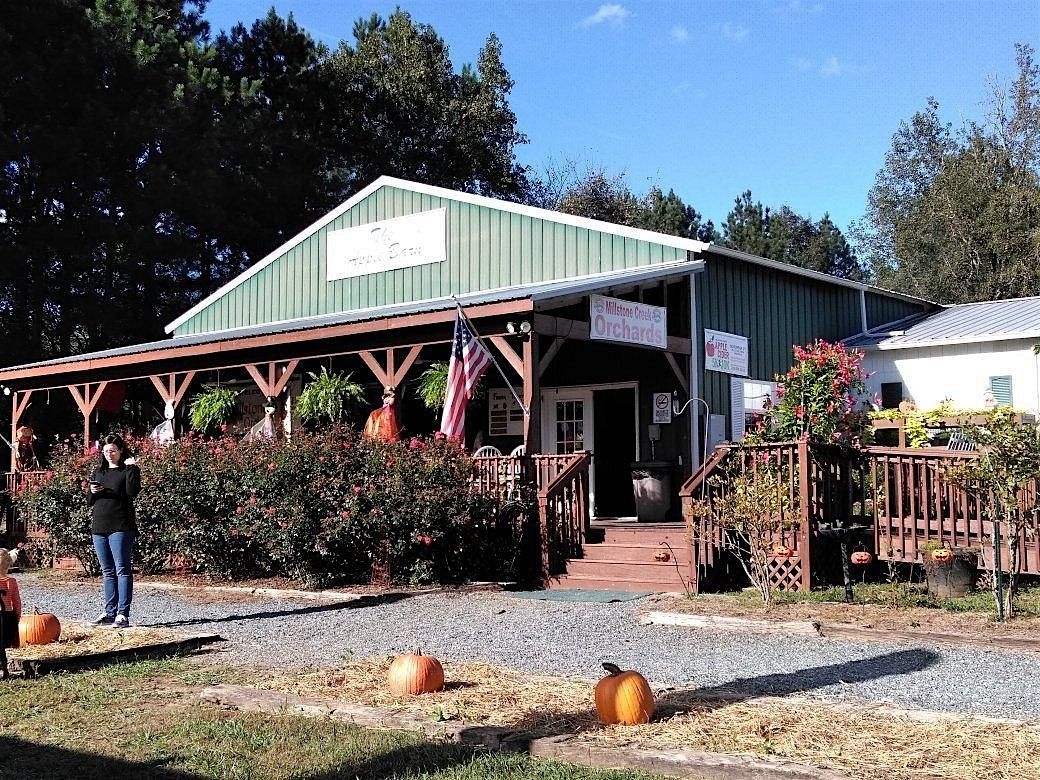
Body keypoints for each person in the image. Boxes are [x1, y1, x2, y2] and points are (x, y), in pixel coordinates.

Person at [87, 434, 140, 627]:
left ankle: (122, 614)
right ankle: (109, 612)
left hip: (121, 526)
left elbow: (132, 492)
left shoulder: (128, 470)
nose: (110, 454)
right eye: (106, 451)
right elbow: (89, 501)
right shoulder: (98, 472)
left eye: (113, 450)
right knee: (107, 571)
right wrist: (91, 492)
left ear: (121, 451)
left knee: (122, 569)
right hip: (99, 526)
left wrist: (133, 468)